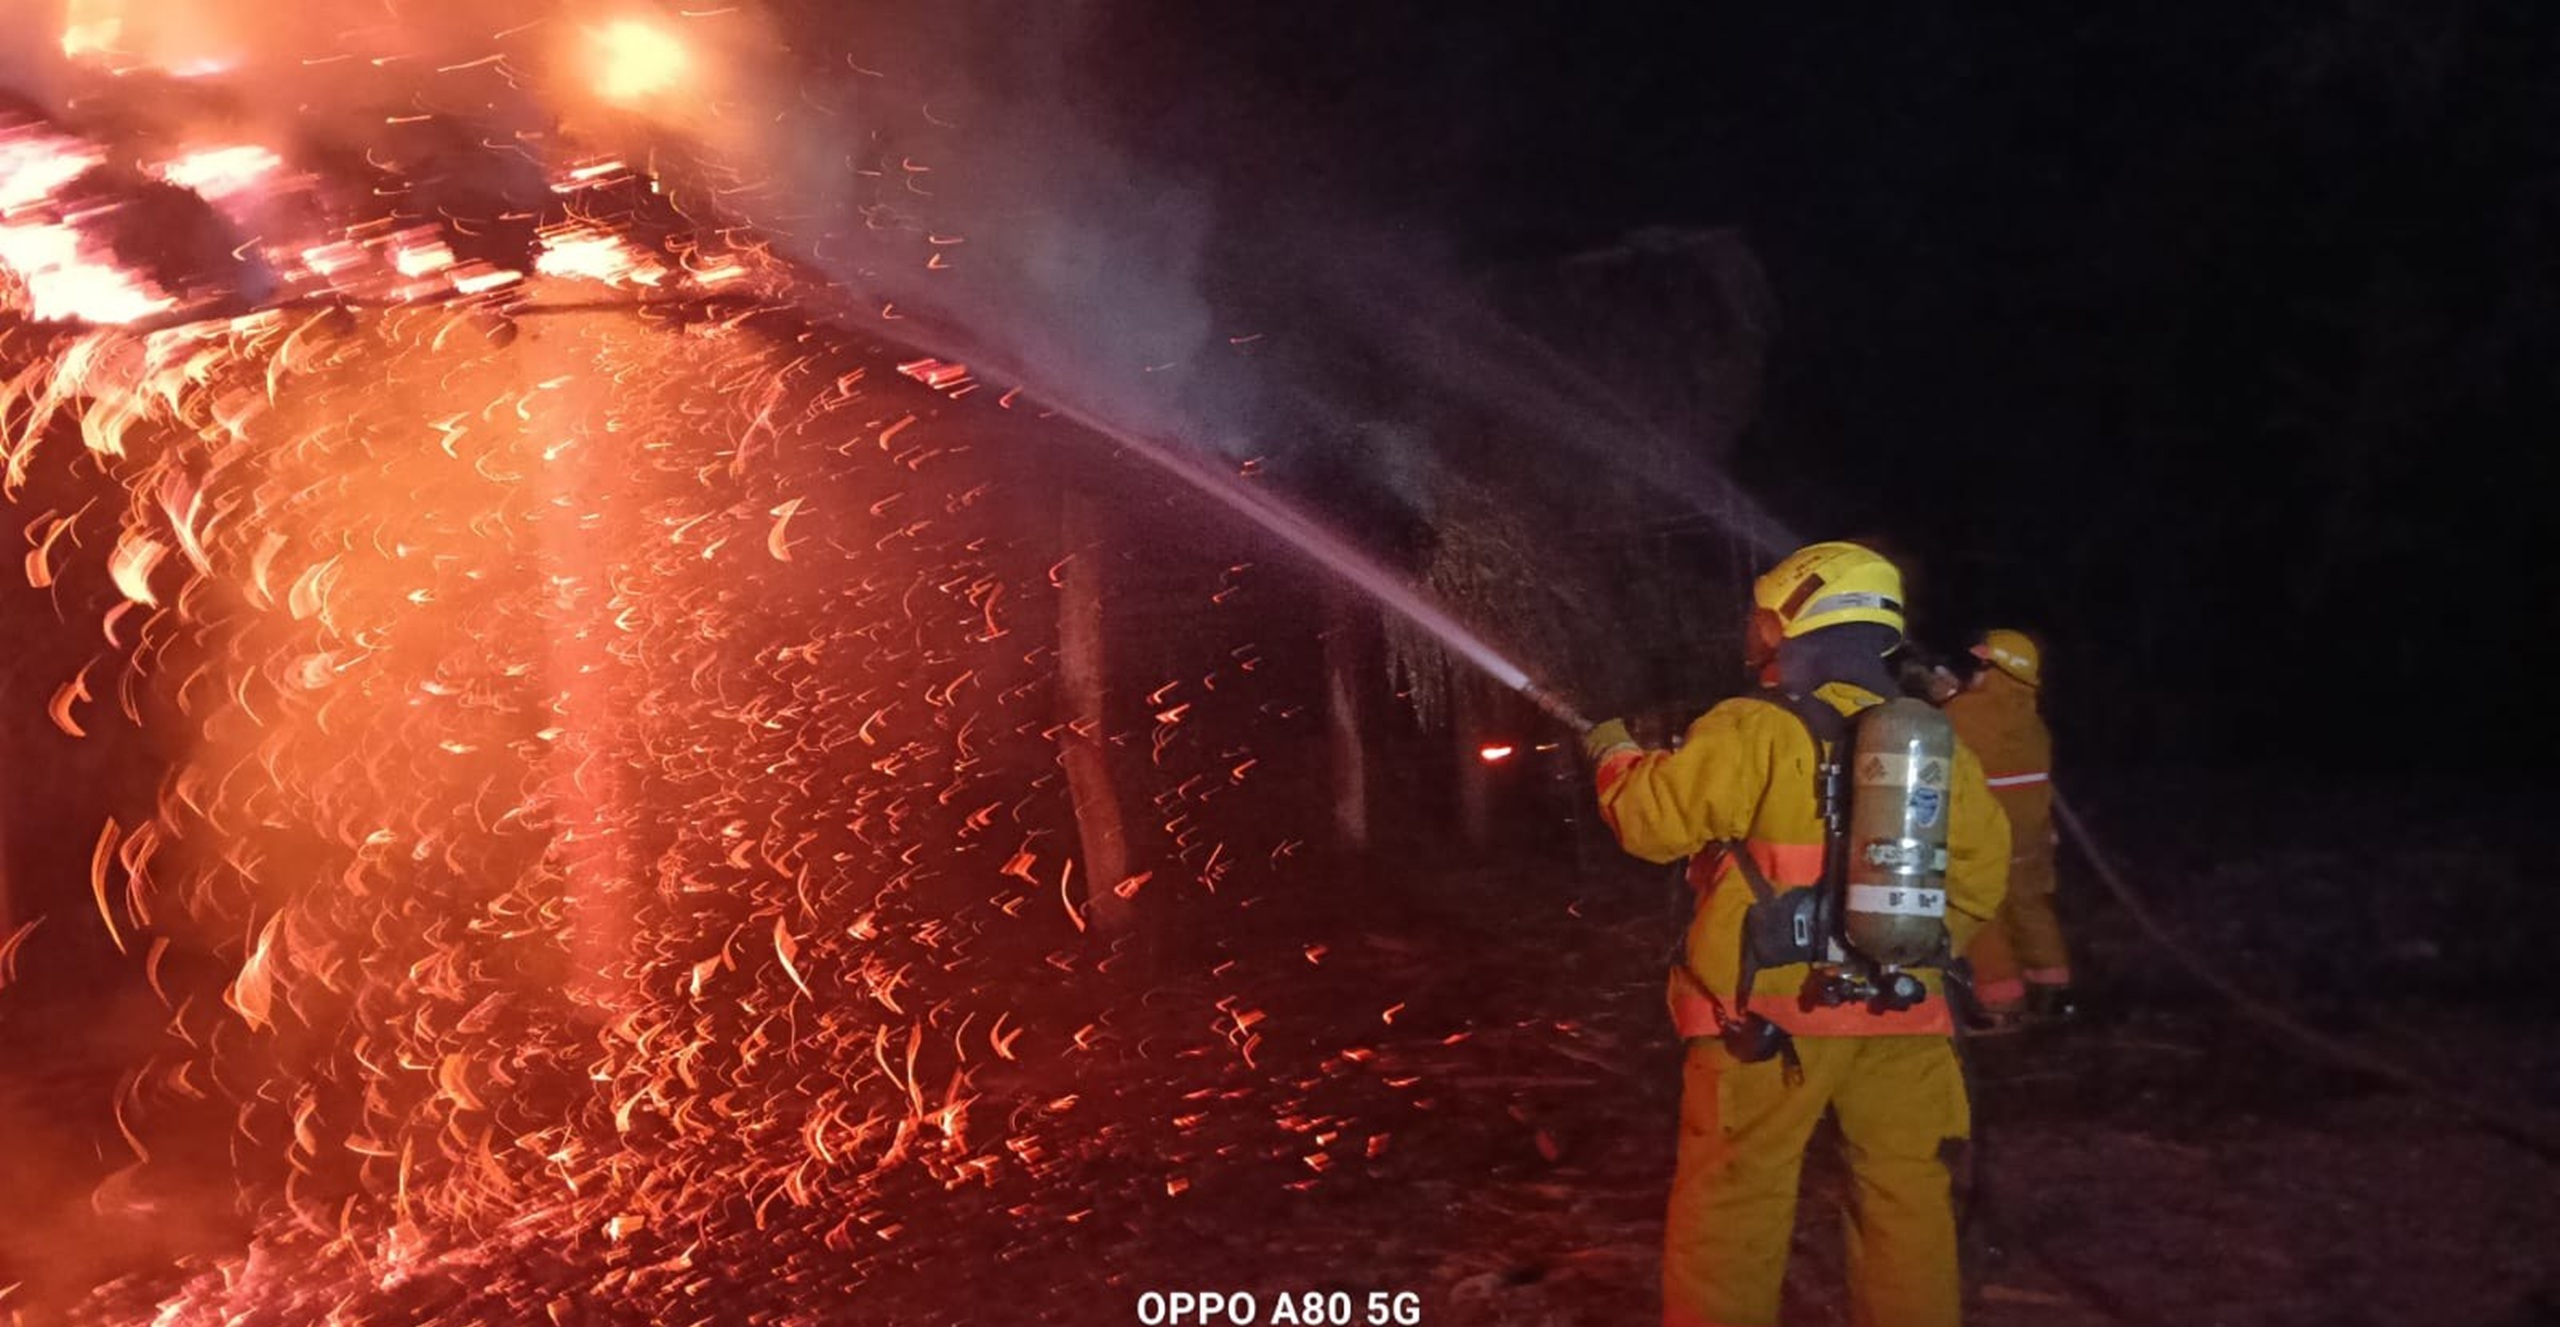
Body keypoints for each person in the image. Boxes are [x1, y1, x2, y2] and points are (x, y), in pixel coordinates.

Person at [1584, 541, 2011, 1327]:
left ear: (1796, 618)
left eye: (1767, 620)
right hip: (1905, 1011)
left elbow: (1654, 821)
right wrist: (1906, 940)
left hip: (1770, 1014)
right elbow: (1984, 869)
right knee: (1906, 1198)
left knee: (1737, 1198)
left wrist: (1613, 755)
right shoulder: (1934, 745)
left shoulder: (1754, 725)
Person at [1944, 628, 2072, 1026]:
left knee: (1984, 917)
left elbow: (1943, 726)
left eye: (1982, 664)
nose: (1975, 672)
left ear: (1997, 670)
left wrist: (1944, 696)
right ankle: (2053, 991)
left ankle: (2000, 1005)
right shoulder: (2032, 723)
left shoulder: (1961, 713)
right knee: (2031, 908)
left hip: (1988, 839)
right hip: (2031, 840)